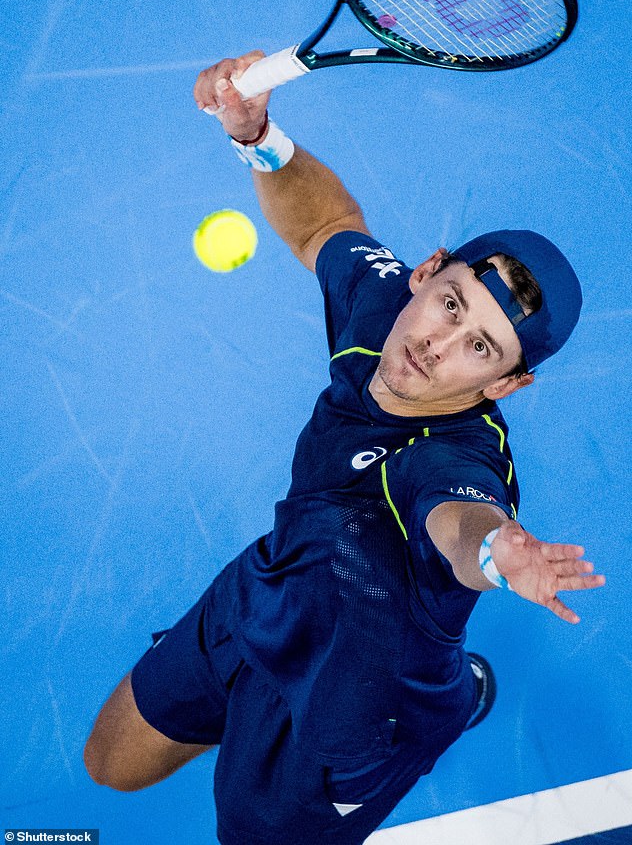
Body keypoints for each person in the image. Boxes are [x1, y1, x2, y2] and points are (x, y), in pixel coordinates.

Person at [84, 51, 605, 845]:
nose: (439, 346)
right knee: (109, 764)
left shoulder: (456, 457)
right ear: (427, 272)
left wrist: (499, 553)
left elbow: (460, 519)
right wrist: (256, 135)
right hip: (273, 592)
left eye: (481, 350)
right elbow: (327, 225)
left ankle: (448, 699)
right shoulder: (382, 309)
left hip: (359, 701)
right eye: (452, 303)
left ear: (505, 387)